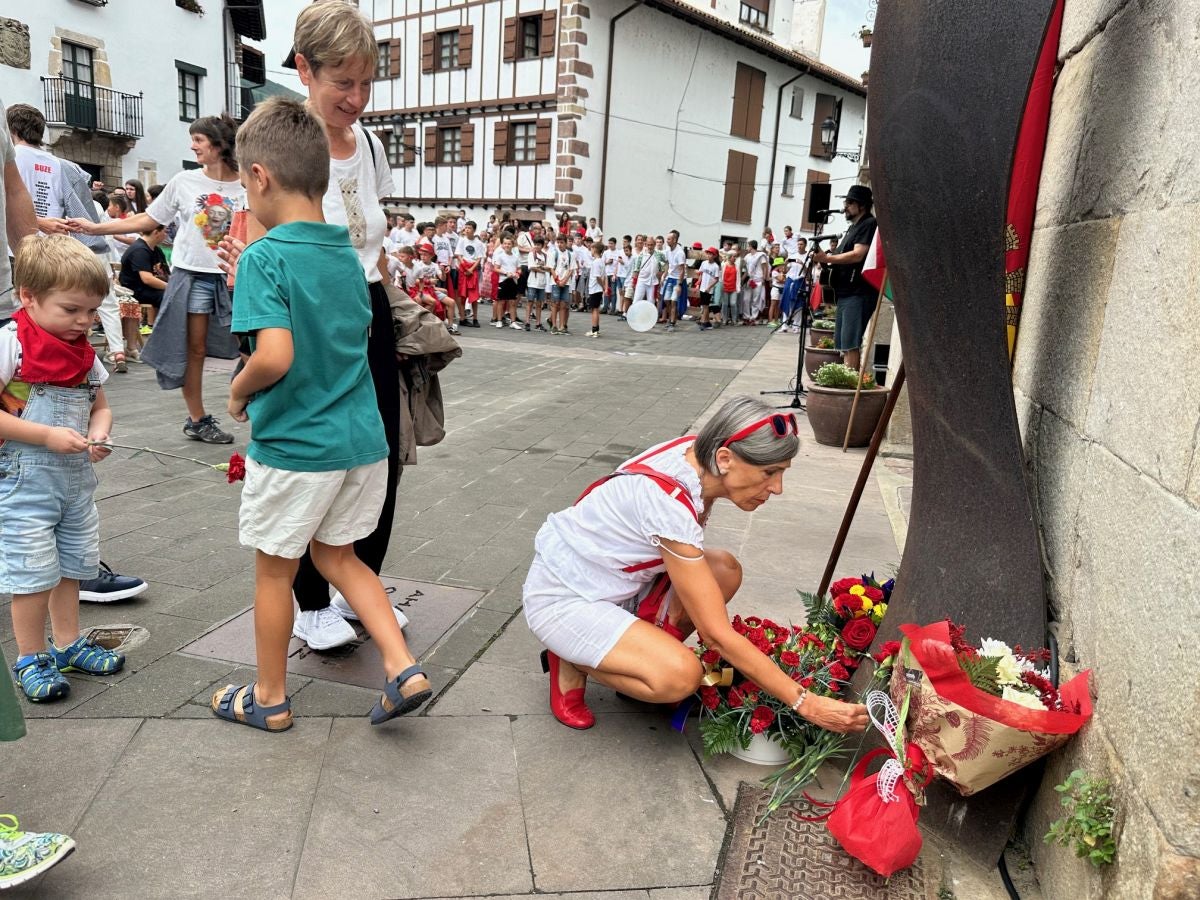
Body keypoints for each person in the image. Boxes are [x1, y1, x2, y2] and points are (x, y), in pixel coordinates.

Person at [213, 97, 429, 732]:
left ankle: (269, 698)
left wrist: (236, 391)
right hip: (362, 440)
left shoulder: (265, 256)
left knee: (274, 572)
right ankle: (401, 664)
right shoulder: (346, 253)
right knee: (341, 558)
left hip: (298, 446)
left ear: (260, 177)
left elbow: (274, 355)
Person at [522, 396, 871, 734]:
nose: (777, 488)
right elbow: (716, 636)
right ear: (725, 458)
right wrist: (806, 704)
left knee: (724, 571)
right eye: (769, 472)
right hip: (565, 598)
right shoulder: (668, 503)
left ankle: (634, 661)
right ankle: (568, 657)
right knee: (681, 677)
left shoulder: (696, 452)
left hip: (613, 582)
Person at [2, 235, 127, 705]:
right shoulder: (11, 344)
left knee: (73, 565)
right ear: (27, 298)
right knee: (33, 573)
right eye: (72, 310)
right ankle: (31, 656)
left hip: (75, 484)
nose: (84, 322)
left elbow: (101, 407)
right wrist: (46, 435)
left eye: (92, 312)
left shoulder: (85, 354)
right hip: (22, 483)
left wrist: (100, 434)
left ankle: (69, 643)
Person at [71, 114, 244, 445]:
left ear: (220, 145)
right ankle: (197, 419)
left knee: (249, 346)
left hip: (236, 276)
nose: (192, 145)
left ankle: (246, 393)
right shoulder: (185, 181)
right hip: (193, 275)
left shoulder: (247, 183)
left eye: (199, 140)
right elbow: (148, 218)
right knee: (193, 349)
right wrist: (96, 227)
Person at [6, 104, 127, 374]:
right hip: (55, 252)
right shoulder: (64, 165)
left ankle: (23, 368)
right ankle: (56, 367)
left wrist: (38, 222)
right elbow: (78, 211)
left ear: (11, 129)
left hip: (14, 249)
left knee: (23, 314)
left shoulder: (10, 158)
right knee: (55, 315)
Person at [814, 184, 879, 371]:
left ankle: (849, 383)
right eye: (846, 202)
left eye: (850, 203)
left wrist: (827, 258)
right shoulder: (853, 228)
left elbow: (858, 254)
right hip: (846, 292)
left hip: (858, 292)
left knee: (851, 343)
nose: (845, 207)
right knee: (843, 343)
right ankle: (845, 377)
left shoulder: (868, 224)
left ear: (862, 205)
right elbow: (843, 257)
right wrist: (826, 261)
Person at [454, 219, 484, 327]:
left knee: (474, 295)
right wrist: (464, 267)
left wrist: (471, 269)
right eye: (466, 228)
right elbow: (459, 255)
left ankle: (475, 318)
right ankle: (462, 318)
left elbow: (479, 258)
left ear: (474, 230)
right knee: (462, 295)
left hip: (473, 268)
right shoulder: (462, 240)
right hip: (464, 268)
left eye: (469, 228)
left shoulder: (479, 243)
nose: (467, 230)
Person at [490, 233, 520, 328]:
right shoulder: (500, 256)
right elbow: (496, 268)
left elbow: (519, 269)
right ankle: (499, 320)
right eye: (505, 244)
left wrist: (517, 274)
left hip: (513, 281)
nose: (507, 245)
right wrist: (506, 273)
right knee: (501, 301)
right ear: (502, 245)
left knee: (512, 302)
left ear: (512, 245)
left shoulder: (515, 257)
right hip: (503, 281)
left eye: (509, 244)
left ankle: (513, 322)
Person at [548, 232, 574, 335]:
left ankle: (562, 325)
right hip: (556, 282)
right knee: (555, 304)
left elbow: (571, 269)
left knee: (563, 304)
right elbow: (551, 268)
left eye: (562, 242)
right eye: (558, 242)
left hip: (566, 283)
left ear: (565, 243)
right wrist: (558, 280)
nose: (560, 244)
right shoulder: (554, 253)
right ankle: (554, 325)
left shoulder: (570, 254)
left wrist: (564, 280)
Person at [524, 235, 549, 332]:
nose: (537, 246)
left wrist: (541, 269)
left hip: (541, 283)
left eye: (539, 245)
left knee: (539, 304)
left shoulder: (545, 255)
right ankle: (527, 322)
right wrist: (542, 269)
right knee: (530, 302)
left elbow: (548, 267)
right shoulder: (531, 254)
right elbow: (531, 267)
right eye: (536, 244)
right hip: (532, 282)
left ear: (542, 245)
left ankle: (538, 323)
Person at [740, 239, 768, 325]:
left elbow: (765, 268)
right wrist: (742, 279)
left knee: (755, 300)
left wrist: (764, 279)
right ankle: (746, 316)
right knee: (746, 299)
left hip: (758, 280)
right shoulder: (747, 256)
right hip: (750, 280)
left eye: (748, 246)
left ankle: (753, 318)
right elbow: (747, 270)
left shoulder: (761, 256)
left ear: (751, 246)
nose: (747, 247)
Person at [585, 241, 606, 338]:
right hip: (597, 289)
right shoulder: (601, 261)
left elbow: (598, 277)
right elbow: (604, 276)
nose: (591, 251)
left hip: (595, 288)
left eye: (592, 249)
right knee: (596, 309)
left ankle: (594, 329)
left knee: (594, 309)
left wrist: (603, 286)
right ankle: (596, 329)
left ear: (595, 250)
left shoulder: (596, 262)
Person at [697, 246, 720, 331]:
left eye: (711, 254)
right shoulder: (704, 263)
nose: (709, 255)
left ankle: (703, 322)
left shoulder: (715, 266)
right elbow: (701, 274)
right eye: (708, 253)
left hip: (708, 289)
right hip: (702, 287)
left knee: (706, 306)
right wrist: (698, 283)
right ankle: (707, 323)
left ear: (714, 256)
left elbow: (716, 279)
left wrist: (709, 287)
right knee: (703, 305)